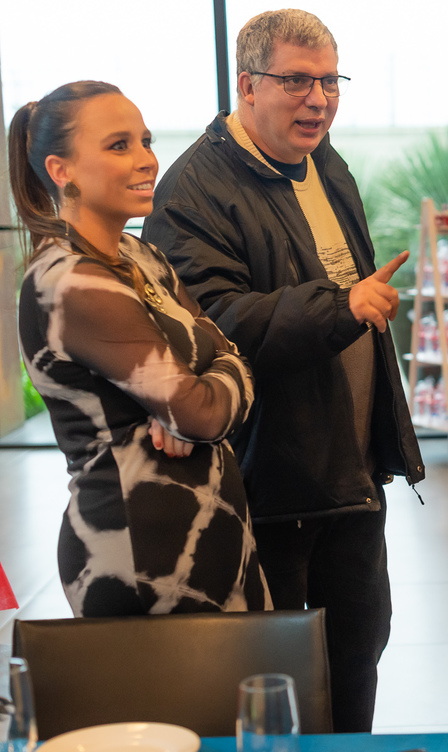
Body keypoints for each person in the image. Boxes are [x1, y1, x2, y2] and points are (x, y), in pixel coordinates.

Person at [143, 9, 424, 733]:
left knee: (357, 657)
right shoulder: (193, 190)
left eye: (331, 81)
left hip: (352, 475)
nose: (320, 100)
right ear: (247, 86)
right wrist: (343, 305)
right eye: (299, 81)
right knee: (282, 694)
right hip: (274, 485)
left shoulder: (325, 162)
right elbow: (217, 329)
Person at [11, 81, 269, 616]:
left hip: (214, 526)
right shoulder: (69, 282)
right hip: (137, 548)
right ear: (62, 171)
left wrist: (197, 396)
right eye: (118, 145)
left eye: (145, 141)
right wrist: (192, 401)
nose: (146, 160)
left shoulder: (142, 255)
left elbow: (231, 358)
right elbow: (201, 412)